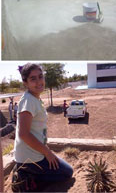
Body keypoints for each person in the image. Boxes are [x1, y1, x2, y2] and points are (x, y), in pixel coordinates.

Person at [12, 63, 73, 192]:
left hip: (35, 154)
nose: (39, 81)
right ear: (25, 83)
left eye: (40, 77)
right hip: (30, 158)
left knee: (63, 168)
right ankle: (26, 179)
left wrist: (46, 150)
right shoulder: (28, 101)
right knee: (67, 173)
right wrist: (47, 153)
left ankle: (27, 172)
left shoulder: (35, 98)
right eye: (33, 79)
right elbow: (24, 134)